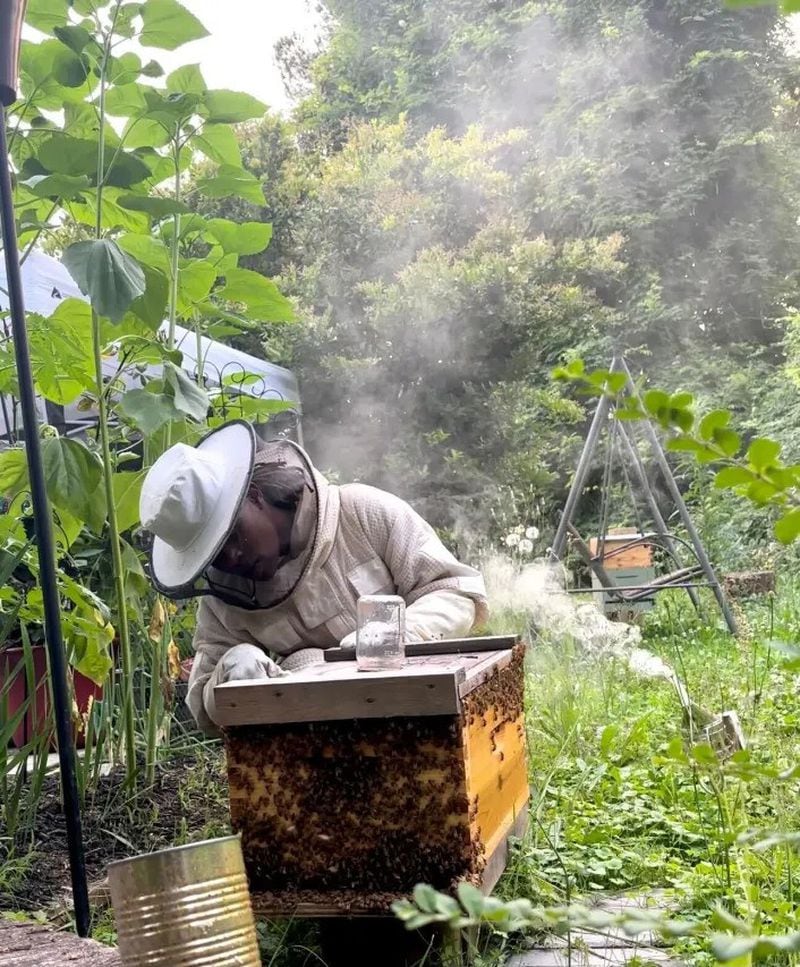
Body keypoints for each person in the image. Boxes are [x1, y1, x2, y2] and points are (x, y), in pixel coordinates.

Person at [139, 420, 488, 734]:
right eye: (213, 556)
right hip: (314, 743)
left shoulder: (363, 514)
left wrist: (398, 632)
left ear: (255, 496)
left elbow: (456, 591)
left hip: (422, 715)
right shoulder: (225, 598)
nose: (230, 558)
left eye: (232, 535)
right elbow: (203, 705)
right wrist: (230, 674)